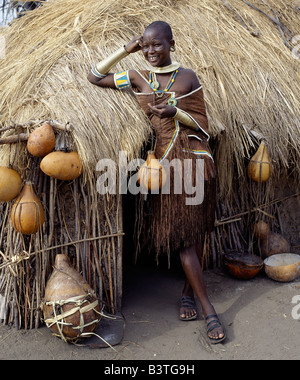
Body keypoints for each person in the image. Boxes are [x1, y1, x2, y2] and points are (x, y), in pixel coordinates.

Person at [87, 21, 225, 344]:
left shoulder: (188, 77)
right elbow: (94, 76)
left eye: (156, 45)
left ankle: (188, 294)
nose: (150, 51)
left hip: (196, 160)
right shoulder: (138, 78)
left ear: (171, 44)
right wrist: (127, 49)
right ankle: (210, 311)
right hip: (167, 166)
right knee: (185, 240)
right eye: (145, 46)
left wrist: (175, 111)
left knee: (198, 231)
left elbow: (202, 123)